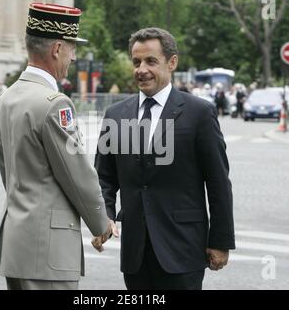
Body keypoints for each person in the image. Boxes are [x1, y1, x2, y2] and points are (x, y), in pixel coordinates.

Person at [93, 27, 235, 290]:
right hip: (135, 253)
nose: (141, 69)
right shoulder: (115, 115)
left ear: (172, 63)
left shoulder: (199, 113)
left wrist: (220, 241)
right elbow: (104, 176)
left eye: (150, 61)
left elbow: (218, 183)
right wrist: (104, 216)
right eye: (136, 62)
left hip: (183, 249)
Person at [0, 3, 111, 291]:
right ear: (57, 48)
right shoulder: (54, 103)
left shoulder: (6, 98)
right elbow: (77, 175)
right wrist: (101, 223)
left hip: (17, 242)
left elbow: (7, 170)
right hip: (47, 250)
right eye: (72, 48)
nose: (73, 57)